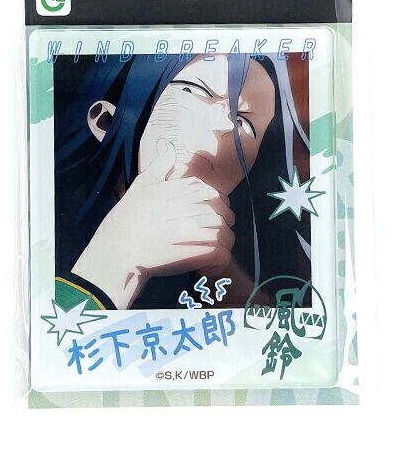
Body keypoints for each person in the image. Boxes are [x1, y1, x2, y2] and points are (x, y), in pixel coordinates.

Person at [54, 52, 311, 310]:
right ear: (107, 120)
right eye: (195, 90)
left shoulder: (228, 271)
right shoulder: (51, 228)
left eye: (244, 122)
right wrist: (114, 264)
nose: (226, 125)